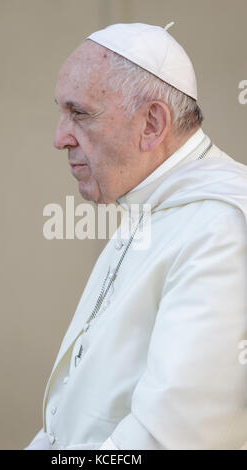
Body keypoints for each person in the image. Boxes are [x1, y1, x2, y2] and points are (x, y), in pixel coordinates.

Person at [26, 23, 247, 450]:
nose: (59, 138)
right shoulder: (153, 203)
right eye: (60, 111)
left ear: (151, 123)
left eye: (80, 113)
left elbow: (168, 441)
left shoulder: (221, 229)